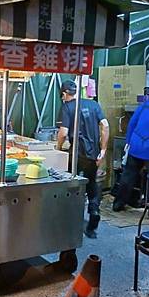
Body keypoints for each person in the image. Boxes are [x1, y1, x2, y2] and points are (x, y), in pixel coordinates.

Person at [57, 80, 109, 239]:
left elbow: (64, 132)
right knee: (91, 183)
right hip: (93, 154)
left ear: (65, 94)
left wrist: (58, 147)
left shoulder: (67, 107)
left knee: (71, 184)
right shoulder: (93, 104)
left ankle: (69, 219)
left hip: (77, 154)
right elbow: (105, 126)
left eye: (62, 96)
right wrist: (103, 149)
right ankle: (94, 213)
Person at [112, 87, 149, 212]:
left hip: (136, 145)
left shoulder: (145, 105)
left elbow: (132, 124)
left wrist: (128, 142)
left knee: (128, 176)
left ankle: (118, 204)